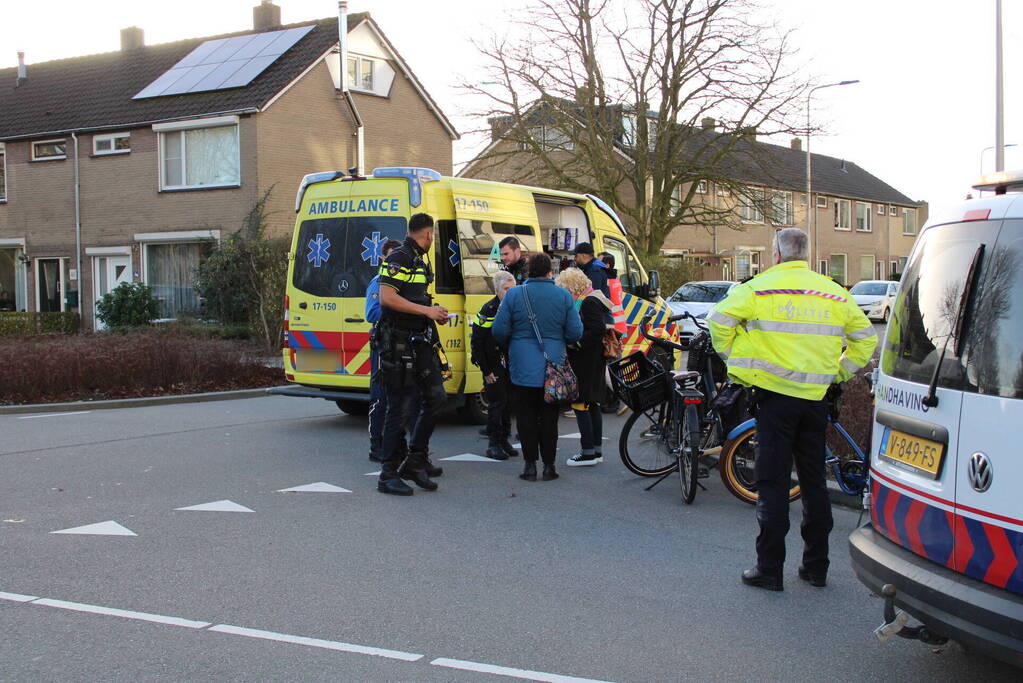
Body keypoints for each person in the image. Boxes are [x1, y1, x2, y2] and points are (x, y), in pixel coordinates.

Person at [707, 227, 877, 591]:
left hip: (773, 400)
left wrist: (738, 362)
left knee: (773, 482)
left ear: (777, 254)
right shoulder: (833, 292)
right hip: (816, 400)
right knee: (814, 481)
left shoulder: (757, 289)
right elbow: (865, 340)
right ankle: (816, 567)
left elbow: (717, 322)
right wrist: (836, 373)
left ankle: (769, 569)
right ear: (807, 254)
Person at [375, 213, 450, 496]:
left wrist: (433, 313)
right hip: (399, 344)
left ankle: (415, 460)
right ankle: (388, 474)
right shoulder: (400, 257)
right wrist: (426, 311)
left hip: (419, 341)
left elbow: (414, 297)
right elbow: (387, 297)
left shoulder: (419, 258)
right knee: (399, 408)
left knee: (436, 398)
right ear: (428, 234)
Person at [493, 252, 582, 481]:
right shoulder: (563, 296)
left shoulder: (514, 294)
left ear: (528, 271)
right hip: (553, 367)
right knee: (550, 418)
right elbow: (575, 331)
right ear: (550, 272)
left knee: (525, 417)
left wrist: (514, 343)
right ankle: (550, 466)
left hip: (522, 367)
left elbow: (499, 330)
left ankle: (530, 465)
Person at [555, 267, 614, 466]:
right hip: (595, 361)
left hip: (585, 361)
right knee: (593, 405)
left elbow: (596, 330)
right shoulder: (596, 298)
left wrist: (577, 343)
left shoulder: (588, 303)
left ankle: (587, 452)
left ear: (571, 288)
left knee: (581, 405)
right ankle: (596, 451)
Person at [470, 270, 518, 461]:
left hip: (510, 364)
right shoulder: (488, 309)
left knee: (508, 404)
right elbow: (478, 342)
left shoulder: (515, 308)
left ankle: (505, 439)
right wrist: (486, 370)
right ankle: (494, 444)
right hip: (493, 365)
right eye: (506, 289)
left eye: (512, 289)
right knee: (497, 405)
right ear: (497, 290)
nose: (509, 292)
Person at [366, 239, 403, 463]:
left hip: (399, 343)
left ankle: (396, 443)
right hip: (383, 343)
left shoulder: (402, 282)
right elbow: (371, 314)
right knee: (380, 397)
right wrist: (398, 310)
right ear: (382, 259)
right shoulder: (377, 282)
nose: (394, 265)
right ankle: (376, 445)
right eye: (390, 259)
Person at [598, 252, 628, 336]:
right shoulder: (616, 280)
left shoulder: (606, 282)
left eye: (599, 262)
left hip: (612, 325)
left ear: (607, 265)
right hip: (620, 324)